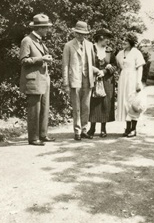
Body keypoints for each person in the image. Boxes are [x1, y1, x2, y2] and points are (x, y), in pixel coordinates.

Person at [62, 21, 104, 141]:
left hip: (88, 80)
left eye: (83, 34)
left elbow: (90, 64)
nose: (81, 36)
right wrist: (66, 83)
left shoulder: (90, 45)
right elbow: (65, 65)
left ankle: (84, 130)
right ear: (74, 33)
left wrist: (97, 71)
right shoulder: (68, 46)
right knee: (76, 107)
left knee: (86, 106)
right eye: (78, 33)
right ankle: (77, 131)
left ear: (86, 34)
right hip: (74, 80)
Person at [19, 14, 56, 146]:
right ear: (39, 28)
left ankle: (43, 134)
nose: (47, 30)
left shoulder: (39, 40)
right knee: (34, 109)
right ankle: (33, 138)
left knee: (45, 108)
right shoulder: (27, 40)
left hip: (43, 79)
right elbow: (23, 60)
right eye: (46, 28)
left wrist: (47, 58)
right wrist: (41, 59)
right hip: (34, 80)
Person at [115, 33, 146, 137]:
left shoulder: (136, 53)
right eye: (122, 40)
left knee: (133, 103)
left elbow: (140, 68)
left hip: (133, 78)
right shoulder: (119, 53)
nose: (123, 42)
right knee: (124, 102)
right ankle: (127, 128)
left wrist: (138, 82)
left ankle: (133, 129)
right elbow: (118, 67)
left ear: (131, 42)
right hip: (123, 79)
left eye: (126, 41)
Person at [88, 29, 117, 138]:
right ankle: (92, 128)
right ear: (100, 38)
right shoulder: (91, 49)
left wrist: (105, 71)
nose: (108, 41)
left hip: (107, 81)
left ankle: (103, 129)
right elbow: (86, 64)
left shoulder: (109, 51)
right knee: (93, 103)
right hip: (94, 79)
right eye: (106, 38)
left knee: (105, 104)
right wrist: (96, 71)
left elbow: (115, 66)